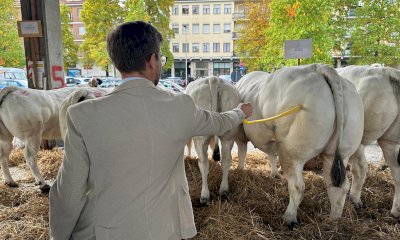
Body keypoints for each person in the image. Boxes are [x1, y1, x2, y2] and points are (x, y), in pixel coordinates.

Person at [49, 21, 252, 240]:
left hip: (103, 232)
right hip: (163, 231)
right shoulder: (180, 106)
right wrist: (240, 112)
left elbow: (67, 194)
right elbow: (219, 122)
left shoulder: (82, 115)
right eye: (161, 59)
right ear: (152, 60)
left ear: (116, 61)